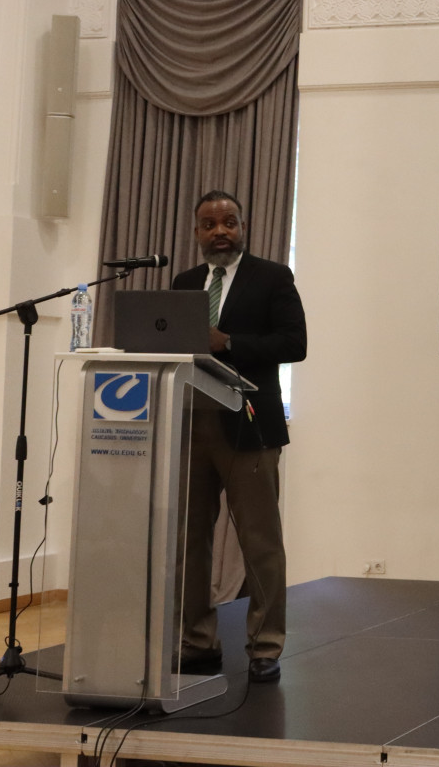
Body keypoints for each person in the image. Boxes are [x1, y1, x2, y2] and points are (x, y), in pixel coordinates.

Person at [172, 190, 307, 682]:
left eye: (229, 222)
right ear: (197, 232)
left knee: (260, 542)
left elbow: (295, 343)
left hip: (249, 427)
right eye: (210, 224)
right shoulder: (185, 283)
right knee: (189, 541)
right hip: (191, 423)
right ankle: (197, 641)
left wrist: (228, 342)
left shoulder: (272, 277)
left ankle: (265, 645)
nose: (220, 231)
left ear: (243, 227)